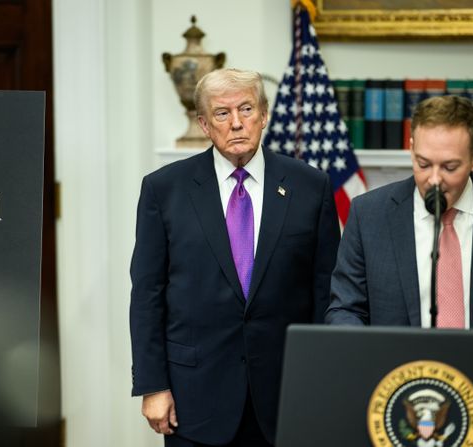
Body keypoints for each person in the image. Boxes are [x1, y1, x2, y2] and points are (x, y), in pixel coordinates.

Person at [129, 68, 340, 447]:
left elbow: (326, 293)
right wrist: (152, 385)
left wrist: (322, 382)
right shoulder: (164, 189)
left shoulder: (311, 186)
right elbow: (147, 294)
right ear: (204, 124)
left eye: (246, 109)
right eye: (222, 113)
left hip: (285, 395)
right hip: (193, 398)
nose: (237, 123)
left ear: (264, 114)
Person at [327, 95, 473, 328]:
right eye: (423, 164)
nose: (434, 180)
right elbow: (346, 309)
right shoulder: (369, 214)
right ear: (411, 149)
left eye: (450, 167)